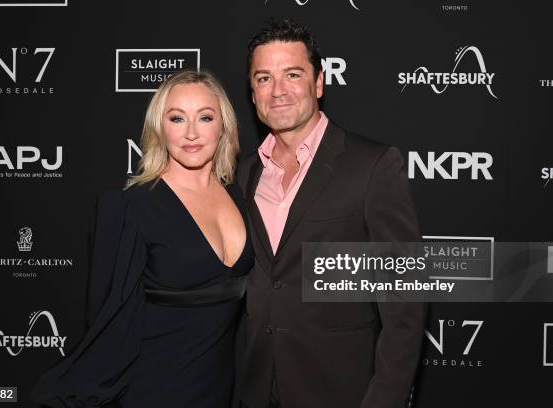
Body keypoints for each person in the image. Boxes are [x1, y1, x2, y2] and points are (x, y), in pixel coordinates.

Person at [31, 70, 254, 408]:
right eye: (177, 118)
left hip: (222, 390)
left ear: (223, 125)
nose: (191, 133)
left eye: (205, 117)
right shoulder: (129, 207)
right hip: (153, 390)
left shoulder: (238, 194)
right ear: (158, 128)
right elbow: (107, 324)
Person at [236, 18, 426, 408]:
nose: (278, 91)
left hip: (340, 391)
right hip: (254, 389)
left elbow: (405, 302)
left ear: (318, 83)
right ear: (252, 93)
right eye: (264, 78)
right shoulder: (242, 173)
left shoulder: (373, 166)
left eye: (292, 74)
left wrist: (385, 399)